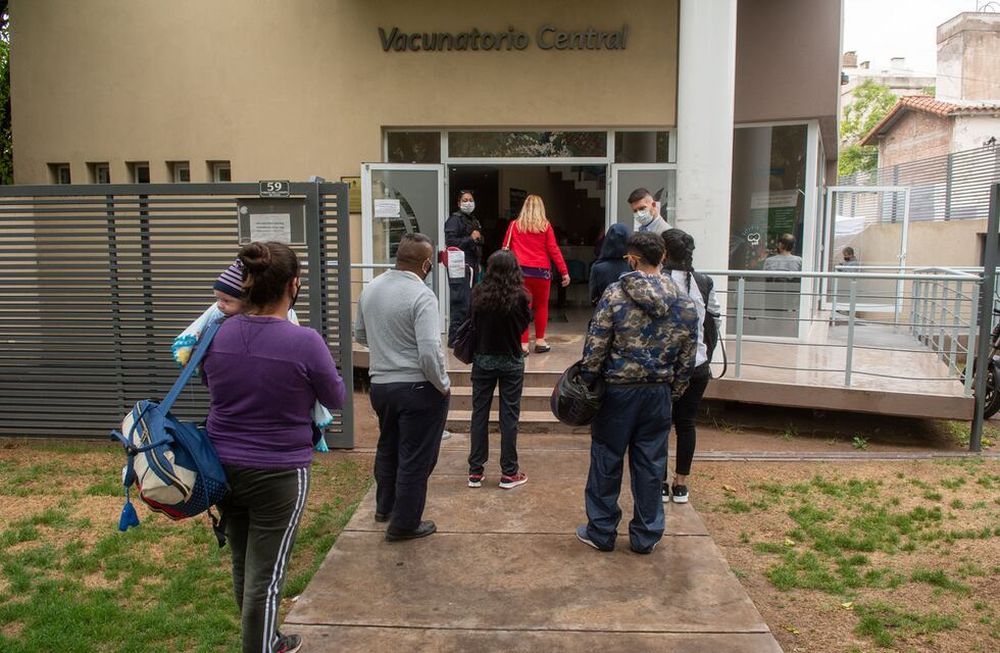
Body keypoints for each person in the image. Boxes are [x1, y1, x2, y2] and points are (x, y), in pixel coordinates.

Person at [202, 241, 346, 653]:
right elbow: (334, 397)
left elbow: (212, 386)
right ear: (293, 285)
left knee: (245, 565)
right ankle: (263, 646)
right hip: (280, 472)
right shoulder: (305, 342)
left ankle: (268, 638)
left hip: (223, 467)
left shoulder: (219, 333)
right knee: (267, 574)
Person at [576, 232, 698, 554]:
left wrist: (587, 380)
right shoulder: (683, 301)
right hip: (658, 393)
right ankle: (646, 535)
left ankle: (601, 531)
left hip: (617, 392)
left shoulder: (614, 294)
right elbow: (688, 356)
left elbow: (596, 346)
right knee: (650, 465)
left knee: (606, 460)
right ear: (663, 259)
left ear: (631, 259)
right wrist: (674, 392)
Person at [172, 259, 334, 452]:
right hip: (281, 448)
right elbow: (334, 395)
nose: (219, 306)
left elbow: (209, 378)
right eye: (217, 300)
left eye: (226, 301)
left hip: (226, 441)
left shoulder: (217, 333)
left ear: (249, 300)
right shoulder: (300, 336)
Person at [355, 232, 451, 541]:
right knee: (415, 457)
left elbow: (361, 335)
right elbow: (428, 351)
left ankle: (385, 507)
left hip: (381, 386)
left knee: (388, 446)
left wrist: (387, 349)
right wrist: (443, 385)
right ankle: (405, 524)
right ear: (425, 263)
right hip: (418, 389)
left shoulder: (371, 288)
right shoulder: (422, 295)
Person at [661, 229, 721, 504]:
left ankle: (659, 481)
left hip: (664, 367)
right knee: (686, 424)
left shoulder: (658, 282)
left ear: (663, 253)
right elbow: (715, 322)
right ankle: (680, 484)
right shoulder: (704, 282)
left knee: (659, 424)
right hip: (698, 364)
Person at [467, 250, 532, 490]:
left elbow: (471, 320)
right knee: (509, 417)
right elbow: (525, 323)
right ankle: (509, 472)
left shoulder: (478, 294)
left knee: (479, 414)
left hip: (483, 359)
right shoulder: (521, 297)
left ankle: (475, 470)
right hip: (511, 360)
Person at [502, 194, 570, 354]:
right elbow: (554, 250)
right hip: (541, 273)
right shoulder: (545, 226)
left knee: (522, 306)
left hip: (519, 272)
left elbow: (505, 246)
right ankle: (540, 341)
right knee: (542, 306)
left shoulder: (514, 225)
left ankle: (523, 343)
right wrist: (564, 271)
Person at [444, 190, 483, 346]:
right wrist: (470, 239)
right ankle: (455, 339)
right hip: (459, 266)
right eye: (465, 200)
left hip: (472, 265)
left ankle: (465, 337)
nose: (468, 203)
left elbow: (478, 240)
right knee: (460, 302)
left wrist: (477, 239)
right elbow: (451, 242)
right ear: (459, 203)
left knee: (470, 303)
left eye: (471, 200)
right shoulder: (454, 220)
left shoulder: (473, 220)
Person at [589, 223, 631, 305]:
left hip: (606, 312)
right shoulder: (633, 265)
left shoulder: (598, 267)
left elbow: (593, 297)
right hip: (631, 314)